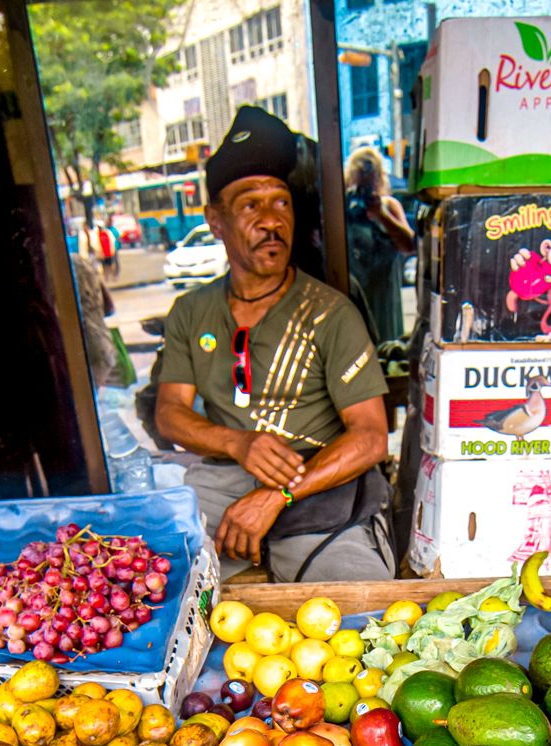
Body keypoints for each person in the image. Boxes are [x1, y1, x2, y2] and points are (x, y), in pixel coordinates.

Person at [154, 107, 394, 581]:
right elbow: (169, 414)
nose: (271, 221)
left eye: (281, 203)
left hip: (322, 481)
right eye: (250, 205)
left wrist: (276, 495)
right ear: (215, 221)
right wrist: (238, 443)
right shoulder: (191, 312)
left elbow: (370, 437)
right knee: (150, 592)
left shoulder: (330, 312)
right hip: (222, 483)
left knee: (353, 613)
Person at [343, 145, 414, 345]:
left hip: (384, 299)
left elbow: (409, 245)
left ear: (378, 181)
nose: (363, 194)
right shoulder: (341, 207)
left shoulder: (389, 206)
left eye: (368, 188)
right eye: (359, 187)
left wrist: (382, 216)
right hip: (355, 296)